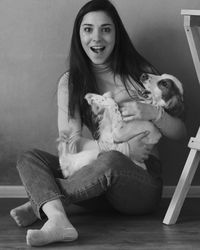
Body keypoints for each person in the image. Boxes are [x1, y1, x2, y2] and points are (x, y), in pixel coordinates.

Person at [10, 0, 186, 247]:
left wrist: (153, 113)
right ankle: (58, 218)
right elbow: (68, 145)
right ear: (79, 34)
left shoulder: (141, 73)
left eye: (106, 29)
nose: (97, 38)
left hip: (140, 185)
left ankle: (45, 200)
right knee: (29, 158)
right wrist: (123, 149)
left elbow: (181, 132)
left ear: (116, 34)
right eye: (88, 29)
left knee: (111, 161)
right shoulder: (70, 83)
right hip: (94, 181)